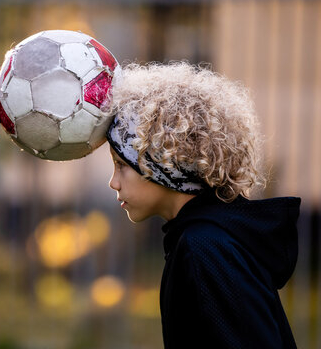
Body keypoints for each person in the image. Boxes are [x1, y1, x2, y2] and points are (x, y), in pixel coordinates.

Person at [106, 62, 300, 348]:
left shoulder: (205, 249)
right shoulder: (206, 239)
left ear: (164, 161)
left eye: (122, 165)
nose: (113, 182)